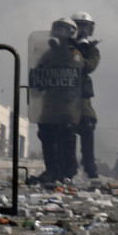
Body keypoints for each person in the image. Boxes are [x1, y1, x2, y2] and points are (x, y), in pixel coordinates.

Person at [30, 18, 84, 184]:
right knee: (47, 137)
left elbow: (79, 68)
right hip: (48, 107)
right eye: (58, 28)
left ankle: (66, 172)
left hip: (67, 107)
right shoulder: (47, 54)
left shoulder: (75, 54)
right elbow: (37, 76)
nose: (60, 33)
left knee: (66, 139)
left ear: (71, 33)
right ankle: (51, 170)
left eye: (64, 29)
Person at [71, 11, 100, 179]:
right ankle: (69, 167)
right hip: (62, 97)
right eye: (78, 26)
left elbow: (89, 66)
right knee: (65, 132)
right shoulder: (62, 47)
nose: (82, 30)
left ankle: (90, 166)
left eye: (85, 27)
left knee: (87, 127)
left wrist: (78, 54)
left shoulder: (92, 50)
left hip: (81, 97)